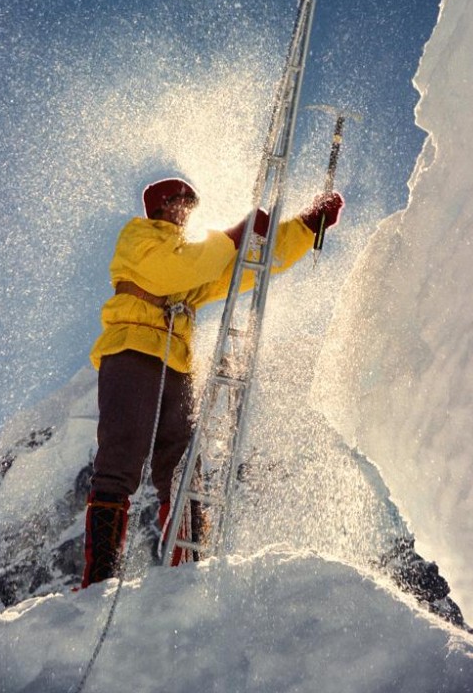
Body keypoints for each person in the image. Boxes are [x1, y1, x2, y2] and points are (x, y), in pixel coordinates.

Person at [81, 177, 344, 586]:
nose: (187, 208)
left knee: (184, 468)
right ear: (159, 205)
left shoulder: (194, 255)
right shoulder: (140, 236)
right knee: (119, 461)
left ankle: (184, 572)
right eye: (180, 200)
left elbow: (243, 271)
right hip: (131, 349)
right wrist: (234, 234)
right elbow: (175, 268)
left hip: (176, 362)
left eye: (192, 201)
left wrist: (308, 227)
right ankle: (96, 581)